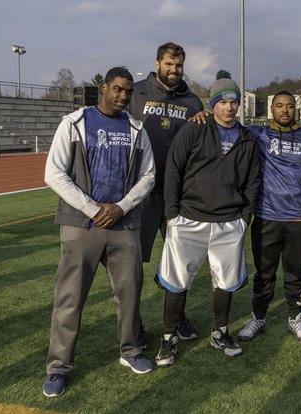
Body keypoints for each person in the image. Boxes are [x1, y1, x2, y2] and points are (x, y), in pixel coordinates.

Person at [42, 67, 156, 397]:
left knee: (130, 295)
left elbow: (148, 176)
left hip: (125, 224)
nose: (123, 96)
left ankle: (131, 351)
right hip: (82, 226)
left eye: (128, 91)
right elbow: (54, 173)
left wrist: (121, 206)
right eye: (117, 89)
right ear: (103, 88)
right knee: (70, 298)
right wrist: (93, 209)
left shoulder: (137, 129)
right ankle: (58, 366)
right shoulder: (75, 124)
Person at [154, 71, 260, 366]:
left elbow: (253, 181)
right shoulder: (194, 128)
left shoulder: (247, 138)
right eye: (223, 101)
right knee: (177, 282)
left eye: (234, 101)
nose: (229, 107)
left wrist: (244, 218)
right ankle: (168, 338)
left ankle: (220, 331)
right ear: (213, 104)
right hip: (189, 219)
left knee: (224, 282)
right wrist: (171, 214)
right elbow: (173, 169)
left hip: (229, 222)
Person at [127, 42, 204, 344]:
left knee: (179, 262)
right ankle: (133, 325)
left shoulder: (193, 102)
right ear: (157, 63)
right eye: (169, 65)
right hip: (140, 194)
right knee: (132, 264)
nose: (174, 71)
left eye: (179, 66)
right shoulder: (135, 92)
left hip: (178, 195)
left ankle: (177, 318)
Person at [237, 90, 301, 342]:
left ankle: (295, 317)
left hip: (298, 218)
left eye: (289, 106)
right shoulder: (258, 135)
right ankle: (258, 317)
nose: (285, 110)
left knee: (294, 271)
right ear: (271, 110)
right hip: (266, 216)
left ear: (295, 109)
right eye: (279, 106)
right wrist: (202, 115)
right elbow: (226, 125)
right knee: (264, 271)